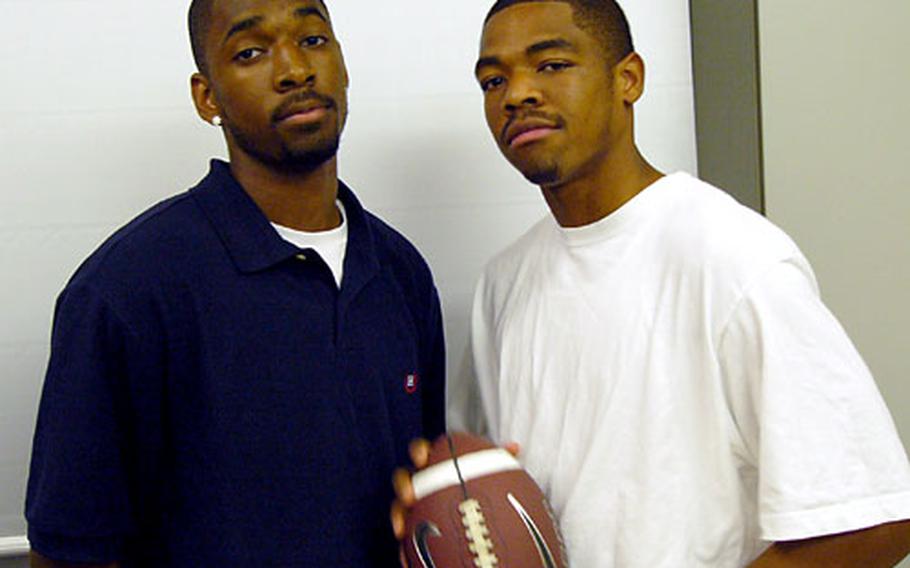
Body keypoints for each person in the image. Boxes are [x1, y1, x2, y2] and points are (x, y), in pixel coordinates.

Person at [395, 1, 910, 567]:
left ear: (628, 78)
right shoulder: (504, 284)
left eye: (551, 65)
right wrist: (444, 490)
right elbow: (491, 493)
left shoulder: (732, 256)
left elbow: (873, 520)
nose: (516, 94)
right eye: (494, 80)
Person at [25, 1, 445, 566]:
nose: (294, 69)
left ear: (343, 63)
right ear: (207, 98)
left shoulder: (400, 272)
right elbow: (68, 551)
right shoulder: (125, 291)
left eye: (314, 40)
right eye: (251, 52)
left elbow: (426, 493)